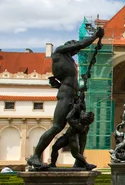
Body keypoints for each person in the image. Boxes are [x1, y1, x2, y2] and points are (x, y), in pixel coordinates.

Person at [27, 28, 104, 169]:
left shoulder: (70, 61)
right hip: (66, 95)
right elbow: (80, 45)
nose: (76, 49)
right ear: (69, 44)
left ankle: (79, 160)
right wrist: (95, 36)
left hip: (73, 95)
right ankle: (35, 156)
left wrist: (80, 89)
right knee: (57, 126)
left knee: (84, 128)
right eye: (73, 45)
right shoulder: (60, 51)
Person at [49, 95, 96, 170]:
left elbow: (68, 117)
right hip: (67, 136)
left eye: (84, 114)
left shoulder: (79, 125)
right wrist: (82, 98)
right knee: (55, 147)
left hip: (73, 138)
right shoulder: (81, 121)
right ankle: (52, 164)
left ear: (84, 119)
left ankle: (87, 165)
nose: (83, 113)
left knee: (76, 154)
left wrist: (74, 108)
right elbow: (83, 107)